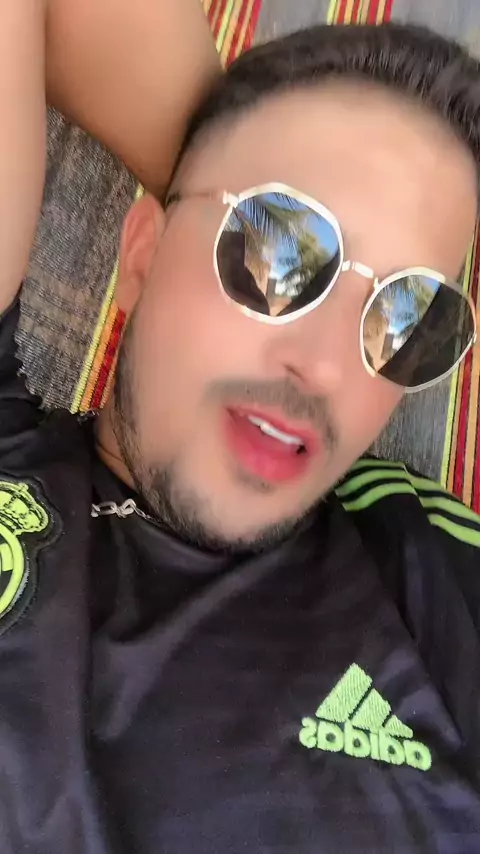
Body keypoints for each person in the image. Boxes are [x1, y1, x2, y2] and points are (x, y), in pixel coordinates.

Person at [1, 3, 480, 852]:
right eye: (279, 251)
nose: (327, 367)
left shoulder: (431, 569)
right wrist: (216, 156)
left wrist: (229, 195)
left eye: (407, 317)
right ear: (140, 254)